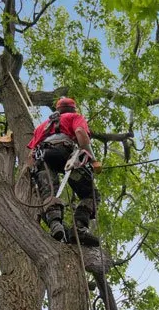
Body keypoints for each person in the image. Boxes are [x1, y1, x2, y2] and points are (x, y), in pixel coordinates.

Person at [27, 97, 102, 246]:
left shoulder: (42, 127)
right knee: (91, 194)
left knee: (49, 192)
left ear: (58, 110)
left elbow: (30, 156)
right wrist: (93, 160)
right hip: (64, 156)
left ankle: (55, 224)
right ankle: (79, 228)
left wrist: (33, 173)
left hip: (42, 159)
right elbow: (80, 132)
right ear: (73, 109)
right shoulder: (74, 117)